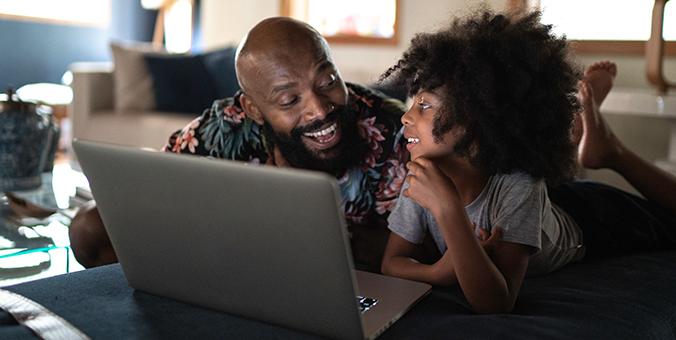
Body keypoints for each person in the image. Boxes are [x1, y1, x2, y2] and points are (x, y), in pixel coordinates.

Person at [379, 8, 676, 315]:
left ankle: (610, 151)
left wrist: (448, 211)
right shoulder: (422, 179)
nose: (406, 117)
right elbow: (391, 263)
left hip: (589, 220)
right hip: (542, 207)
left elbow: (496, 303)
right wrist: (438, 271)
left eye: (424, 106)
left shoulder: (517, 185)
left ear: (478, 119)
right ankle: (581, 136)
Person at [70, 17, 488, 269]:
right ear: (252, 109)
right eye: (289, 100)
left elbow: (451, 240)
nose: (320, 109)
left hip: (349, 281)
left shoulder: (390, 129)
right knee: (88, 228)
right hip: (233, 269)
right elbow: (153, 186)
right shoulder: (226, 126)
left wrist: (343, 242)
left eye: (328, 80)